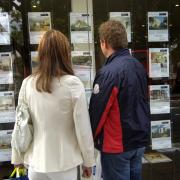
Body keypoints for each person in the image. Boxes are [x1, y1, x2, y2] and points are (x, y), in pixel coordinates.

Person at [11, 30, 95, 180]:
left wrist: (17, 157)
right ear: (65, 53)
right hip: (65, 164)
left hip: (36, 163)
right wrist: (88, 161)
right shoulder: (73, 84)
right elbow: (83, 129)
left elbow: (21, 125)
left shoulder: (28, 83)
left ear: (41, 53)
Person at [89, 20, 150, 180]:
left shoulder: (108, 72)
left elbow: (98, 113)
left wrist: (89, 143)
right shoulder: (138, 66)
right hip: (138, 142)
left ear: (104, 43)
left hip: (117, 146)